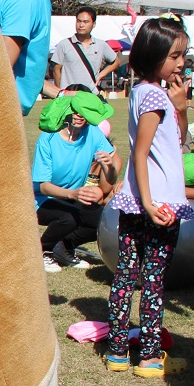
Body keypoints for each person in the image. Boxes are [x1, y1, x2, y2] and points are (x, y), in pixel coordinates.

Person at [104, 16, 191, 378]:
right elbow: (141, 153)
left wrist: (182, 108)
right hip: (158, 202)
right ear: (155, 55)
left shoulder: (141, 91)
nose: (181, 63)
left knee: (126, 276)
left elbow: (175, 140)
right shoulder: (155, 96)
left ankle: (118, 350)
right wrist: (153, 204)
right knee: (153, 281)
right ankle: (151, 357)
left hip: (138, 200)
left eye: (182, 55)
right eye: (174, 56)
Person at [32, 96, 117, 271]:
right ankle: (43, 251)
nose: (79, 115)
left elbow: (112, 178)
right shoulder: (48, 138)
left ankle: (64, 247)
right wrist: (73, 194)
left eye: (84, 112)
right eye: (75, 110)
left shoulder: (93, 133)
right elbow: (43, 186)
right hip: (40, 200)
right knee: (68, 218)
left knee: (103, 220)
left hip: (72, 197)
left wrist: (110, 166)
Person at [48, 5, 122, 95]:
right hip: (69, 94)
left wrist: (101, 75)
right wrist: (60, 92)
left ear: (93, 24)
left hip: (91, 94)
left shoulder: (101, 45)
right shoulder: (64, 44)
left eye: (86, 22)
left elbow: (116, 62)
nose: (81, 25)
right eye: (79, 21)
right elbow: (56, 70)